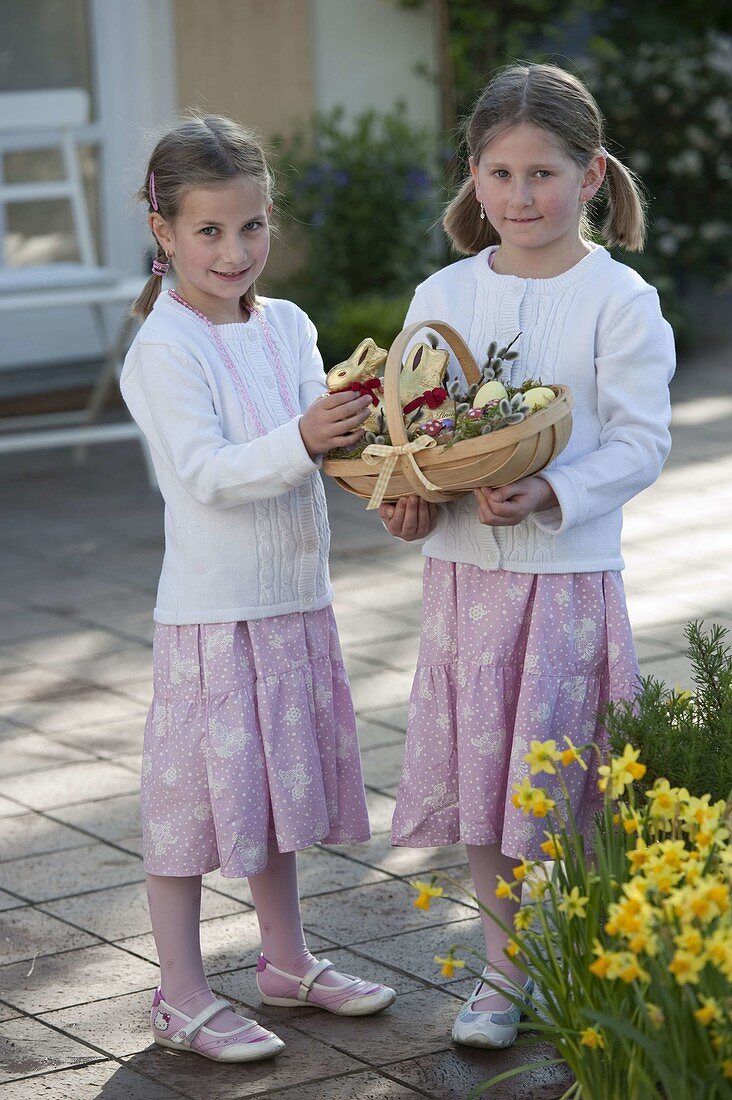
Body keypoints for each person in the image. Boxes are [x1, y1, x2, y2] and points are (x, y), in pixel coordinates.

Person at [379, 62, 674, 1050]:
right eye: (500, 173)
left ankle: (593, 953)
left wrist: (552, 489)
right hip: (466, 581)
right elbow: (416, 426)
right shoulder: (445, 288)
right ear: (473, 175)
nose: (520, 195)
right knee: (484, 781)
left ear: (590, 174)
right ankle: (503, 973)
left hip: (564, 583)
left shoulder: (619, 300)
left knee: (567, 786)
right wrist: (409, 502)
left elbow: (641, 441)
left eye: (541, 173)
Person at [121, 114, 395, 1064]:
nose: (234, 252)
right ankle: (181, 991)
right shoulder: (166, 346)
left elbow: (313, 446)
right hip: (215, 615)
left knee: (272, 794)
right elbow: (207, 472)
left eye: (251, 228)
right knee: (193, 807)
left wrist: (374, 436)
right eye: (208, 231)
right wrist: (306, 439)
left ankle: (286, 963)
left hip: (293, 601)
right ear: (161, 227)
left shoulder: (289, 325)